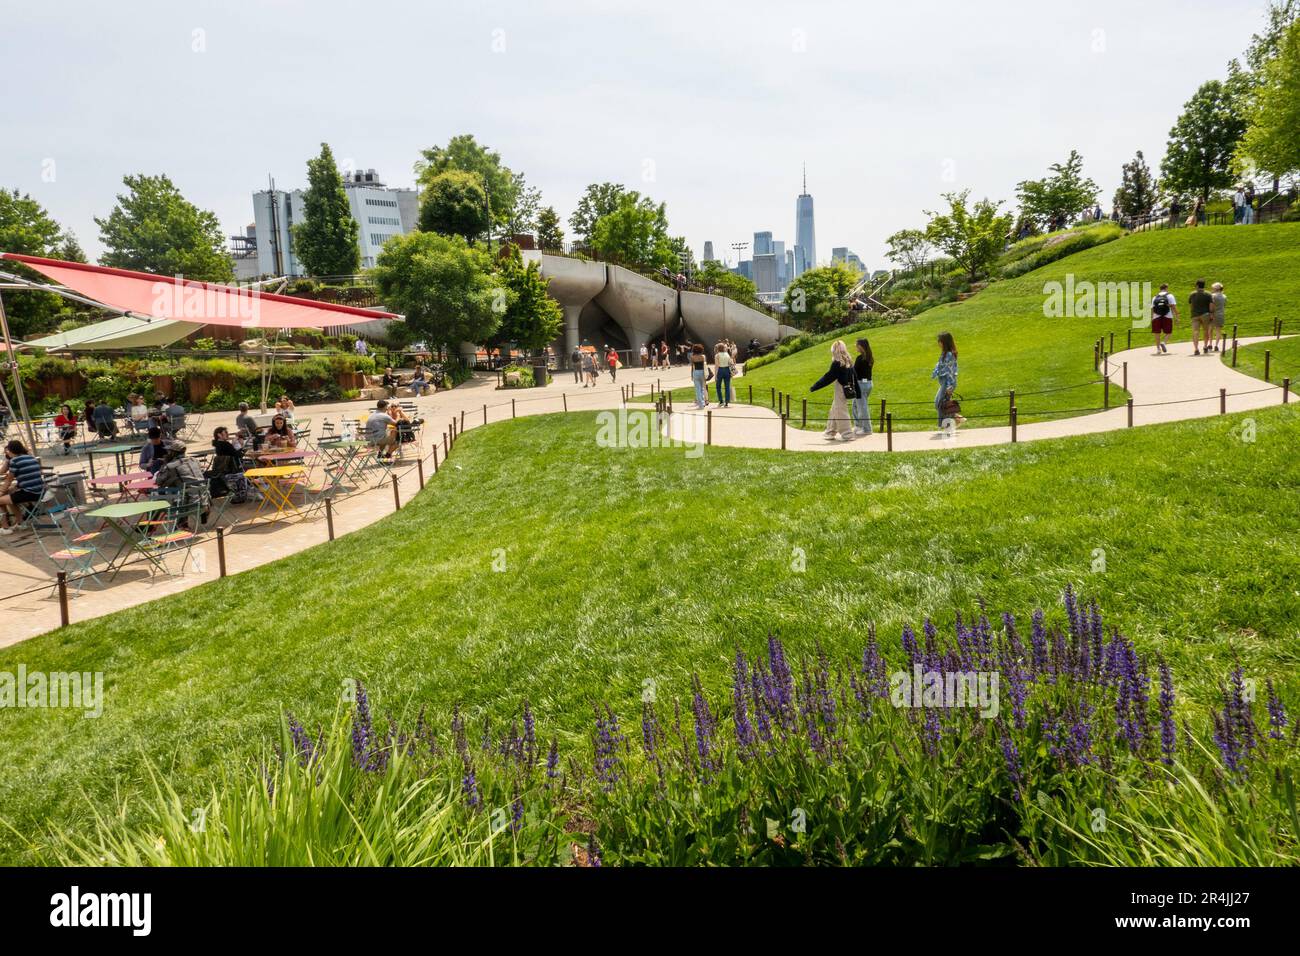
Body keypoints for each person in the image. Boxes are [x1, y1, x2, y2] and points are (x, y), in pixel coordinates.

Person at [810, 340, 856, 441]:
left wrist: (815, 386)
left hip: (841, 388)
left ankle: (847, 434)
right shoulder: (848, 360)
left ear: (834, 350)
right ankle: (830, 432)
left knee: (840, 411)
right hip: (846, 387)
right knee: (834, 409)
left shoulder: (837, 363)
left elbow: (828, 377)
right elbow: (853, 375)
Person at [0, 440, 47, 533]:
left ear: (10, 450)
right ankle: (20, 523)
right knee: (9, 496)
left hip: (30, 493)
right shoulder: (31, 458)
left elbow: (9, 480)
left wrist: (1, 491)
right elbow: (28, 477)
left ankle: (5, 528)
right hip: (41, 491)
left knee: (0, 499)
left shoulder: (15, 461)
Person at [930, 332, 961, 430]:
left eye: (939, 341)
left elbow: (950, 371)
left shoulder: (949, 355)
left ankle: (946, 425)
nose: (938, 343)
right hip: (944, 383)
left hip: (947, 383)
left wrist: (949, 386)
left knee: (940, 404)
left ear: (944, 342)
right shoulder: (944, 354)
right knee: (938, 403)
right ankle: (956, 418)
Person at [851, 338, 874, 435]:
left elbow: (854, 372)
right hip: (868, 384)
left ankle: (867, 429)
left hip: (861, 385)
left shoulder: (860, 358)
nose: (855, 347)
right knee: (855, 405)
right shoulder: (869, 357)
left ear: (861, 346)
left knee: (862, 408)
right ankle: (858, 426)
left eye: (856, 345)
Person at [1188, 279, 1214, 356]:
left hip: (1195, 315)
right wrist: (1211, 314)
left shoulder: (1192, 294)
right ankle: (1205, 346)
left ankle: (1196, 349)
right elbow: (1211, 306)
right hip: (1205, 314)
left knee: (1195, 331)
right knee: (1206, 331)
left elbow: (1191, 305)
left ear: (1197, 285)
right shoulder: (1208, 294)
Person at [1150, 283, 1177, 354]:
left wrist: (1152, 317)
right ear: (1166, 288)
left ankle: (1158, 349)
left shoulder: (1155, 297)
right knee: (1168, 332)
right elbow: (1173, 307)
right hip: (1167, 315)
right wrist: (1176, 316)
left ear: (1160, 289)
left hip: (1156, 316)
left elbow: (1152, 308)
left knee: (1157, 333)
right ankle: (1164, 342)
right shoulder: (1170, 296)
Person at [714, 343, 735, 407]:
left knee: (718, 386)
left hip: (720, 370)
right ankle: (726, 402)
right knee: (727, 387)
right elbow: (730, 363)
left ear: (718, 348)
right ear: (723, 348)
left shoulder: (717, 355)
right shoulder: (727, 354)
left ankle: (721, 401)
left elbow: (716, 366)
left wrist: (715, 375)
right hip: (727, 370)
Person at [689, 344, 709, 408]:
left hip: (696, 372)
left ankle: (700, 403)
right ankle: (703, 402)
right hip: (702, 372)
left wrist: (691, 375)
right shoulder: (703, 356)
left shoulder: (692, 357)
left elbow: (692, 367)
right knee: (702, 388)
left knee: (697, 389)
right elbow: (705, 365)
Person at [1209, 282, 1227, 352]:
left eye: (1213, 288)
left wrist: (1211, 313)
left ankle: (1210, 344)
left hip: (1213, 314)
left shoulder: (1212, 296)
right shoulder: (1224, 296)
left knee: (1210, 330)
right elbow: (1224, 305)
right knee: (1218, 331)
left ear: (1216, 289)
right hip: (1221, 314)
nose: (1212, 289)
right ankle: (1216, 345)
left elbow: (1211, 306)